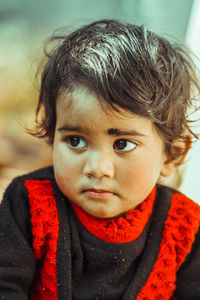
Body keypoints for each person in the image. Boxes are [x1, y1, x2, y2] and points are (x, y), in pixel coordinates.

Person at [0, 19, 200, 300]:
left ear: (173, 153)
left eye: (122, 144)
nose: (97, 168)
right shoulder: (29, 204)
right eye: (75, 141)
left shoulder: (184, 227)